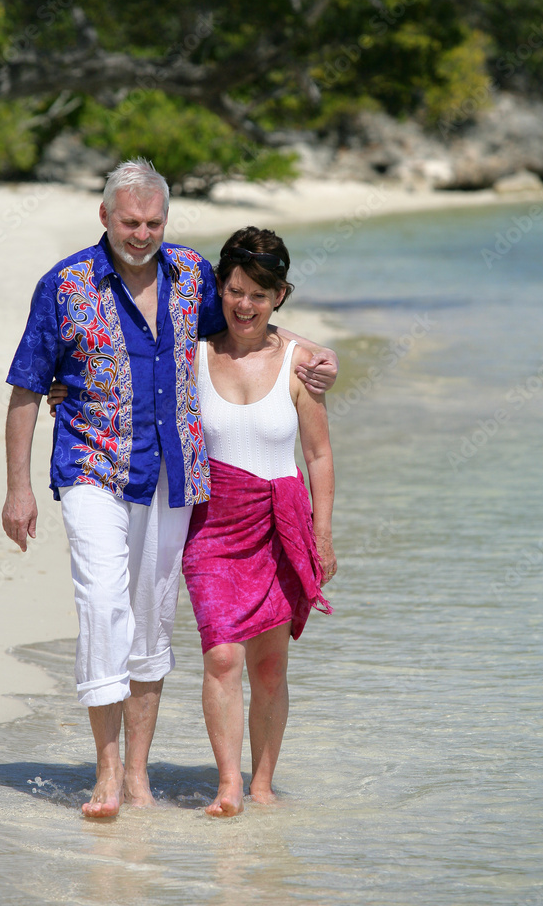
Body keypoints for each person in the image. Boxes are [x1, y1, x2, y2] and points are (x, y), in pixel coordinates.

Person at [2, 158, 338, 819]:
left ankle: (138, 780)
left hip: (172, 476)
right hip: (92, 466)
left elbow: (250, 320)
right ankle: (106, 773)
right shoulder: (64, 285)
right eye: (130, 221)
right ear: (105, 216)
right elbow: (26, 386)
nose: (142, 234)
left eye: (153, 222)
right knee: (103, 603)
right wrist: (19, 488)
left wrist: (316, 352)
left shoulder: (190, 275)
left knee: (151, 623)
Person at [181, 227, 336, 817]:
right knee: (222, 656)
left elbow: (318, 455)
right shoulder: (194, 355)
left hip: (280, 523)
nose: (245, 306)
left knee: (269, 666)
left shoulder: (302, 365)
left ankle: (263, 785)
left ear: (279, 297)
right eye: (235, 291)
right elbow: (130, 386)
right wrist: (65, 389)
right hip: (212, 526)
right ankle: (228, 785)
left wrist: (322, 536)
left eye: (260, 295)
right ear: (219, 287)